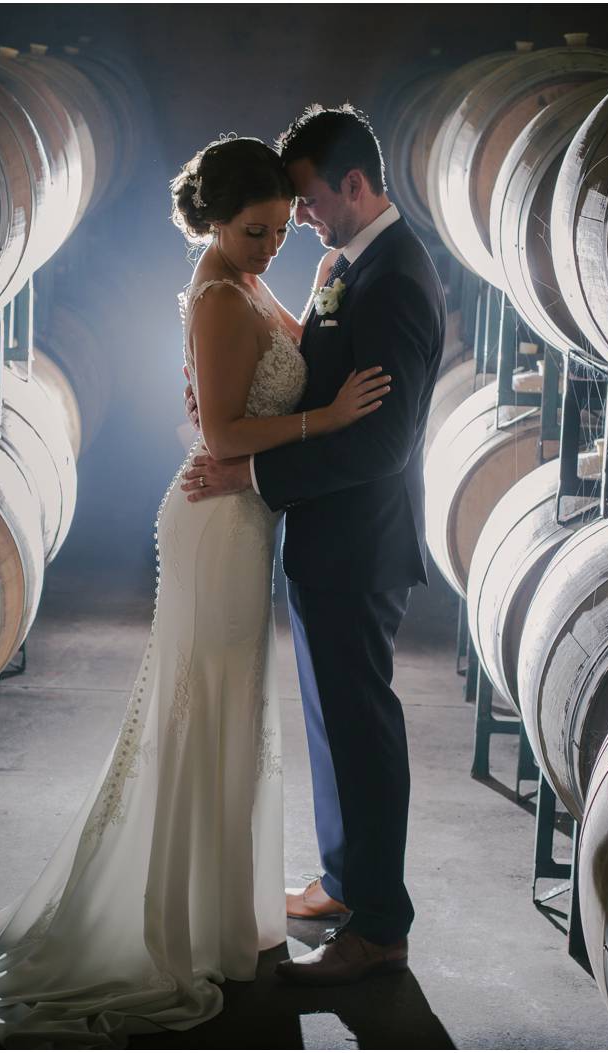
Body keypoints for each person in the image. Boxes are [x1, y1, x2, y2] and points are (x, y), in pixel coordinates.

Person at [0, 134, 390, 1047]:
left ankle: (219, 906)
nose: (272, 246)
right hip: (217, 521)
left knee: (227, 706)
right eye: (254, 231)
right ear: (214, 226)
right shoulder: (223, 295)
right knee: (206, 705)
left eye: (275, 231)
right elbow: (222, 435)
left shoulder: (251, 282)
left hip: (244, 520)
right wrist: (327, 418)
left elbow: (235, 402)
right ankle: (186, 921)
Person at [183, 104, 448, 986]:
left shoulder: (397, 278)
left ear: (355, 186)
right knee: (334, 723)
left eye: (308, 200)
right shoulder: (347, 264)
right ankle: (344, 881)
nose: (300, 220)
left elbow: (386, 442)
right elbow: (302, 367)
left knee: (363, 726)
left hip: (361, 543)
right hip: (323, 537)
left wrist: (255, 479)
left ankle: (380, 923)